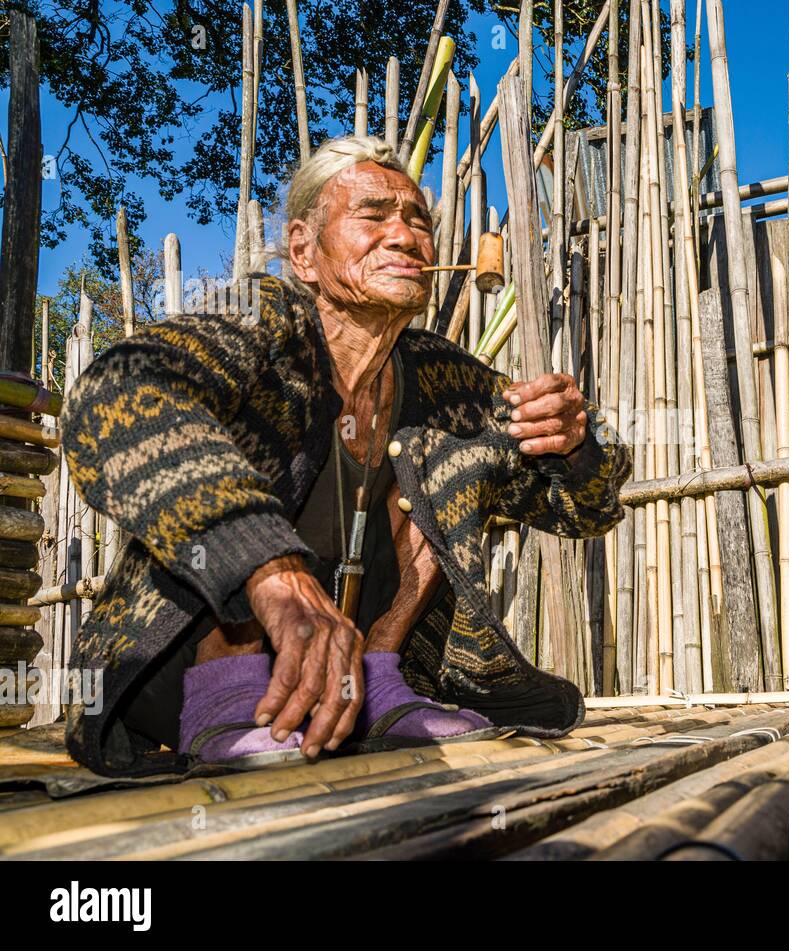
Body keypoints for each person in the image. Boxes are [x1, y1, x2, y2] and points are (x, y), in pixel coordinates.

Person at [61, 135, 630, 776]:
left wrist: (576, 443)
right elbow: (119, 390)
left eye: (419, 222)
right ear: (304, 250)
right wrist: (270, 570)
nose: (406, 236)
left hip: (360, 676)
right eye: (374, 215)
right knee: (240, 422)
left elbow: (588, 510)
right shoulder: (263, 321)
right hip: (178, 669)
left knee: (455, 449)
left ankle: (380, 681)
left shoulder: (446, 379)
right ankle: (232, 688)